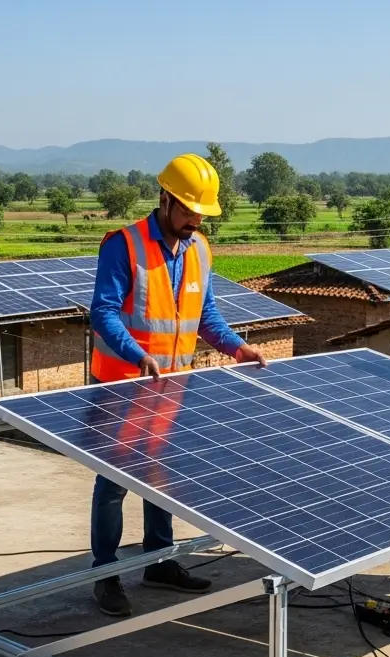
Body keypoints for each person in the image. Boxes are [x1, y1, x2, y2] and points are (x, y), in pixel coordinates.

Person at [88, 153, 269, 617]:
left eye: (201, 214)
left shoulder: (199, 249)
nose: (195, 221)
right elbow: (103, 312)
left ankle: (159, 561)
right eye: (189, 210)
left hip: (170, 387)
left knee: (159, 473)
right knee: (113, 483)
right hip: (121, 385)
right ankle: (104, 575)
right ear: (165, 199)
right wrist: (137, 354)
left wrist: (237, 348)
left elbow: (206, 315)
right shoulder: (124, 245)